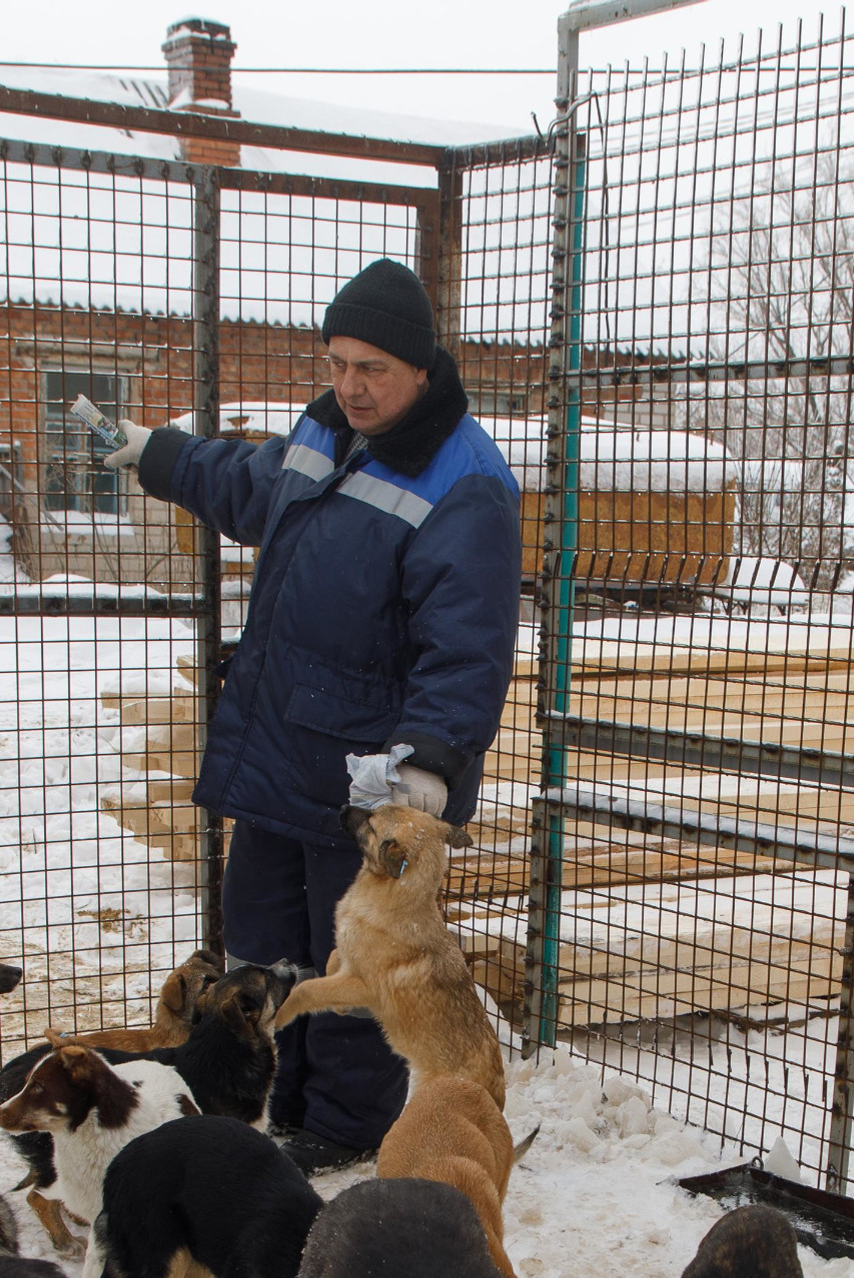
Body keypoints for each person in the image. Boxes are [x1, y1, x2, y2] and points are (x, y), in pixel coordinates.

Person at [102, 257, 519, 1173]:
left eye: (370, 366)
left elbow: (469, 646)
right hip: (278, 747)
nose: (350, 385)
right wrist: (160, 452)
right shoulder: (324, 430)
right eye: (336, 362)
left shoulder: (467, 483)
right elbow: (254, 488)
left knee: (358, 967)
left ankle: (339, 1129)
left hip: (366, 782)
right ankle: (268, 1108)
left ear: (420, 367)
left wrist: (424, 768)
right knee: (261, 950)